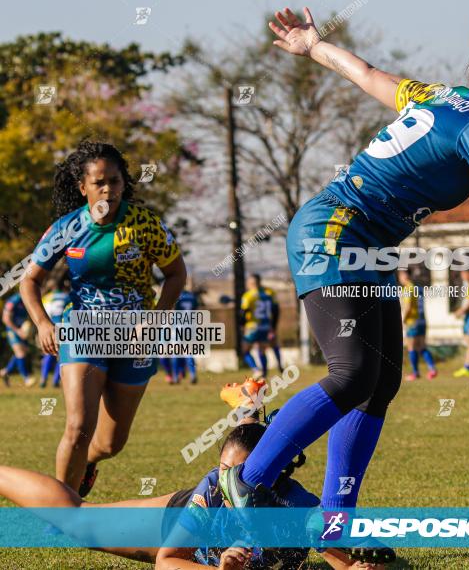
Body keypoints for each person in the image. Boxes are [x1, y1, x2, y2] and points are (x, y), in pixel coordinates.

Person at [215, 7, 469, 558]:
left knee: (380, 383)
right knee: (353, 373)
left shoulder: (438, 96)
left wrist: (314, 46)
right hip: (335, 231)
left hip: (368, 244)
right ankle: (247, 482)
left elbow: (366, 74)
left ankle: (334, 522)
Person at [18, 140, 187, 498]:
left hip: (137, 337)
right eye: (99, 182)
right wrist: (44, 323)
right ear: (83, 187)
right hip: (83, 330)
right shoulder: (67, 228)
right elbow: (29, 280)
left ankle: (88, 463)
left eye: (115, 180)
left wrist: (157, 318)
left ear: (124, 183)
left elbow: (176, 275)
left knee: (111, 443)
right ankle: (62, 512)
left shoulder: (145, 224)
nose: (108, 188)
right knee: (79, 425)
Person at [0, 422, 378, 569]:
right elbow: (168, 561)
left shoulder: (299, 509)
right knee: (78, 522)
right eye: (223, 468)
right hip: (176, 525)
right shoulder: (213, 487)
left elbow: (345, 563)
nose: (227, 479)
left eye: (240, 474)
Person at [397, 270, 436, 381]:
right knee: (422, 346)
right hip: (422, 321)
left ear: (405, 275)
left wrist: (403, 320)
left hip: (412, 322)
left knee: (412, 347)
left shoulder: (408, 288)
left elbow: (408, 306)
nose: (400, 277)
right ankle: (432, 369)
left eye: (401, 275)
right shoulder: (418, 288)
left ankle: (415, 373)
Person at [240, 274, 279, 379]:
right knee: (262, 351)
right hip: (265, 326)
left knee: (245, 350)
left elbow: (243, 312)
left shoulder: (248, 296)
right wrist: (273, 326)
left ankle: (256, 370)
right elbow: (275, 310)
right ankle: (264, 375)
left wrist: (242, 326)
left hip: (253, 327)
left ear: (251, 283)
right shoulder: (269, 293)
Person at [39, 274, 72, 388]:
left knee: (49, 353)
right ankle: (55, 380)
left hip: (49, 326)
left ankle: (43, 378)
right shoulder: (67, 296)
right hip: (63, 327)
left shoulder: (47, 297)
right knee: (61, 354)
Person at [1, 291, 35, 387]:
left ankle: (5, 372)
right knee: (21, 353)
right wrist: (18, 331)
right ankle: (26, 378)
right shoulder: (14, 300)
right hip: (13, 330)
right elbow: (5, 318)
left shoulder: (28, 299)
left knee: (23, 352)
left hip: (21, 330)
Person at [172, 287, 200, 384]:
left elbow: (172, 311)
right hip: (190, 326)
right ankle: (193, 374)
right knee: (189, 352)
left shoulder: (176, 296)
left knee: (175, 352)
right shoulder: (192, 297)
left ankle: (175, 377)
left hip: (179, 326)